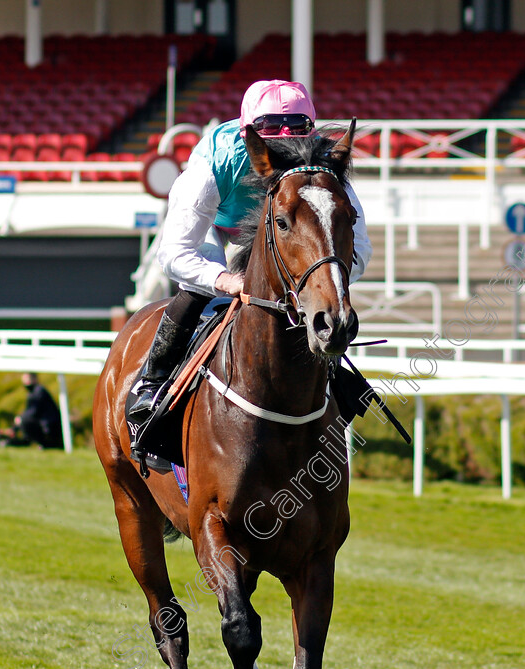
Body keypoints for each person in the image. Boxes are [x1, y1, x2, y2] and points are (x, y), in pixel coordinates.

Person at [130, 79, 373, 417]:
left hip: (283, 232)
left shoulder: (323, 163)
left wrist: (314, 286)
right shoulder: (214, 164)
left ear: (311, 132)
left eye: (297, 131)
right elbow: (173, 252)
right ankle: (152, 383)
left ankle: (329, 376)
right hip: (216, 224)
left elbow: (359, 246)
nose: (286, 143)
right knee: (200, 283)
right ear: (248, 135)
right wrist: (228, 281)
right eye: (272, 132)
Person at [5, 373, 63, 449]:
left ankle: (46, 444)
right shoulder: (33, 392)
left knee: (26, 421)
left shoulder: (39, 391)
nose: (26, 383)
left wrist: (20, 420)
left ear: (35, 379)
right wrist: (15, 428)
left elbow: (33, 412)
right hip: (44, 424)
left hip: (49, 425)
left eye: (28, 380)